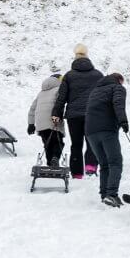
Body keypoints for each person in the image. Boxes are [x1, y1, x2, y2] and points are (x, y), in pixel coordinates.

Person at [52, 47, 106, 176]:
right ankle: (91, 168)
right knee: (92, 142)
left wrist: (56, 113)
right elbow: (104, 95)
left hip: (73, 116)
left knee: (76, 144)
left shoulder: (69, 76)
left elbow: (62, 97)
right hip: (93, 115)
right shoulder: (98, 75)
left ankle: (76, 173)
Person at [83, 70, 130, 206]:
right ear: (119, 80)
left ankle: (104, 194)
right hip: (107, 130)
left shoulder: (95, 91)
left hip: (90, 131)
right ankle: (112, 194)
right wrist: (123, 121)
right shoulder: (117, 88)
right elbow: (118, 104)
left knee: (104, 164)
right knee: (115, 162)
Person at [28, 71, 65, 166]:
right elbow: (60, 103)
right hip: (53, 118)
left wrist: (31, 124)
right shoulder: (59, 89)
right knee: (58, 142)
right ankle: (55, 158)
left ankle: (50, 164)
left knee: (47, 144)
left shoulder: (41, 93)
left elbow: (32, 108)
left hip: (40, 122)